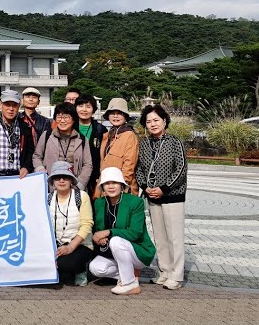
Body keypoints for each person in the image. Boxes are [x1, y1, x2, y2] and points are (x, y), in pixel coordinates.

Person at [137, 105, 187, 289]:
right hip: (152, 196)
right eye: (149, 121)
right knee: (159, 236)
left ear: (164, 121)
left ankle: (177, 275)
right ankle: (164, 271)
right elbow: (139, 170)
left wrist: (164, 188)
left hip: (172, 196)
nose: (152, 124)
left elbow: (180, 169)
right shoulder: (144, 144)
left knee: (174, 237)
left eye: (156, 120)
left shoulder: (175, 142)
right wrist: (145, 186)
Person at [88, 166, 156, 295]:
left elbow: (135, 233)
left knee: (116, 241)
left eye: (114, 183)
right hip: (113, 252)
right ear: (102, 187)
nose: (111, 186)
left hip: (137, 250)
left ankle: (129, 283)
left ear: (121, 185)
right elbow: (98, 228)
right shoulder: (99, 203)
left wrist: (109, 232)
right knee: (95, 268)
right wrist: (100, 238)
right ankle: (130, 276)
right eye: (107, 183)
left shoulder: (135, 202)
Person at [47, 162, 93, 288]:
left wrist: (71, 247)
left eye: (65, 177)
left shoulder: (82, 196)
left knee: (67, 264)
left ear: (71, 180)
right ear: (52, 181)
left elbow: (86, 225)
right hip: (57, 244)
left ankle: (81, 270)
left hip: (79, 244)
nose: (61, 180)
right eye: (57, 177)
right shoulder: (48, 198)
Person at [32, 103, 91, 190]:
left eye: (66, 117)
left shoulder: (82, 139)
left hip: (74, 186)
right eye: (59, 117)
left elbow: (88, 164)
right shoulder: (47, 135)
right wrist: (41, 171)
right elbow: (37, 156)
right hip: (52, 186)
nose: (62, 121)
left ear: (73, 119)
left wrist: (80, 183)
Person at [96, 98, 139, 197]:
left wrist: (122, 187)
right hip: (106, 188)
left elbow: (129, 165)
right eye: (112, 113)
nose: (115, 116)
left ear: (125, 116)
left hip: (122, 190)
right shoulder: (107, 135)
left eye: (119, 113)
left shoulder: (129, 135)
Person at [74, 95, 107, 196]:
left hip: (94, 177)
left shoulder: (100, 130)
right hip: (74, 175)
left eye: (88, 106)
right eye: (80, 106)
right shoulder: (70, 127)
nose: (84, 110)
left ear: (93, 110)